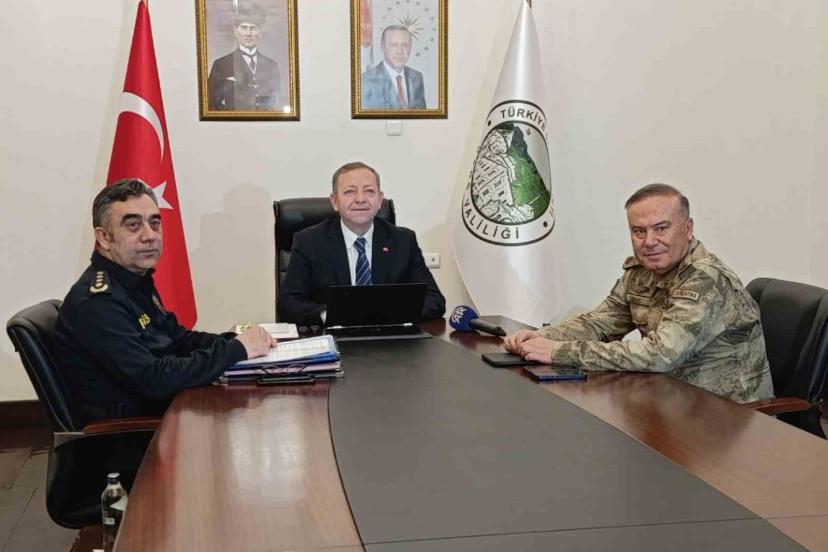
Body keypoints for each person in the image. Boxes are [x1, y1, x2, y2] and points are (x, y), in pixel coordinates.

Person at [504, 183, 774, 403]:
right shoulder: (641, 272)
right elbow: (599, 324)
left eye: (661, 228)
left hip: (728, 418)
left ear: (688, 229)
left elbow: (660, 355)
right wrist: (544, 337)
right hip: (672, 401)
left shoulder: (705, 280)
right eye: (639, 231)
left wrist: (560, 352)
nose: (650, 242)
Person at [55, 179, 274, 424]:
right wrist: (236, 350)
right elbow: (153, 379)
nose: (149, 236)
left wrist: (235, 341)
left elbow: (177, 339)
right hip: (134, 432)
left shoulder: (133, 280)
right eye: (133, 225)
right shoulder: (98, 303)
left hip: (168, 411)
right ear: (104, 238)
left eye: (155, 223)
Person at [278, 162, 445, 325]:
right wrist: (333, 315)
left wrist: (389, 314)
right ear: (335, 201)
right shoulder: (309, 242)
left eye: (369, 191)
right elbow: (288, 304)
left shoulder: (403, 241)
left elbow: (435, 300)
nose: (360, 199)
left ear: (379, 200)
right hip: (334, 336)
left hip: (390, 337)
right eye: (350, 191)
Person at [208, 7, 282, 111]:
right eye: (244, 28)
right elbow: (210, 103)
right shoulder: (221, 64)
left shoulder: (271, 65)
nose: (248, 33)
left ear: (260, 32)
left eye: (253, 28)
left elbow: (276, 102)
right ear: (236, 32)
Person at [361, 25, 426, 109]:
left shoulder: (417, 77)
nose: (400, 51)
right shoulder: (366, 81)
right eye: (393, 45)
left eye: (405, 45)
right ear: (383, 47)